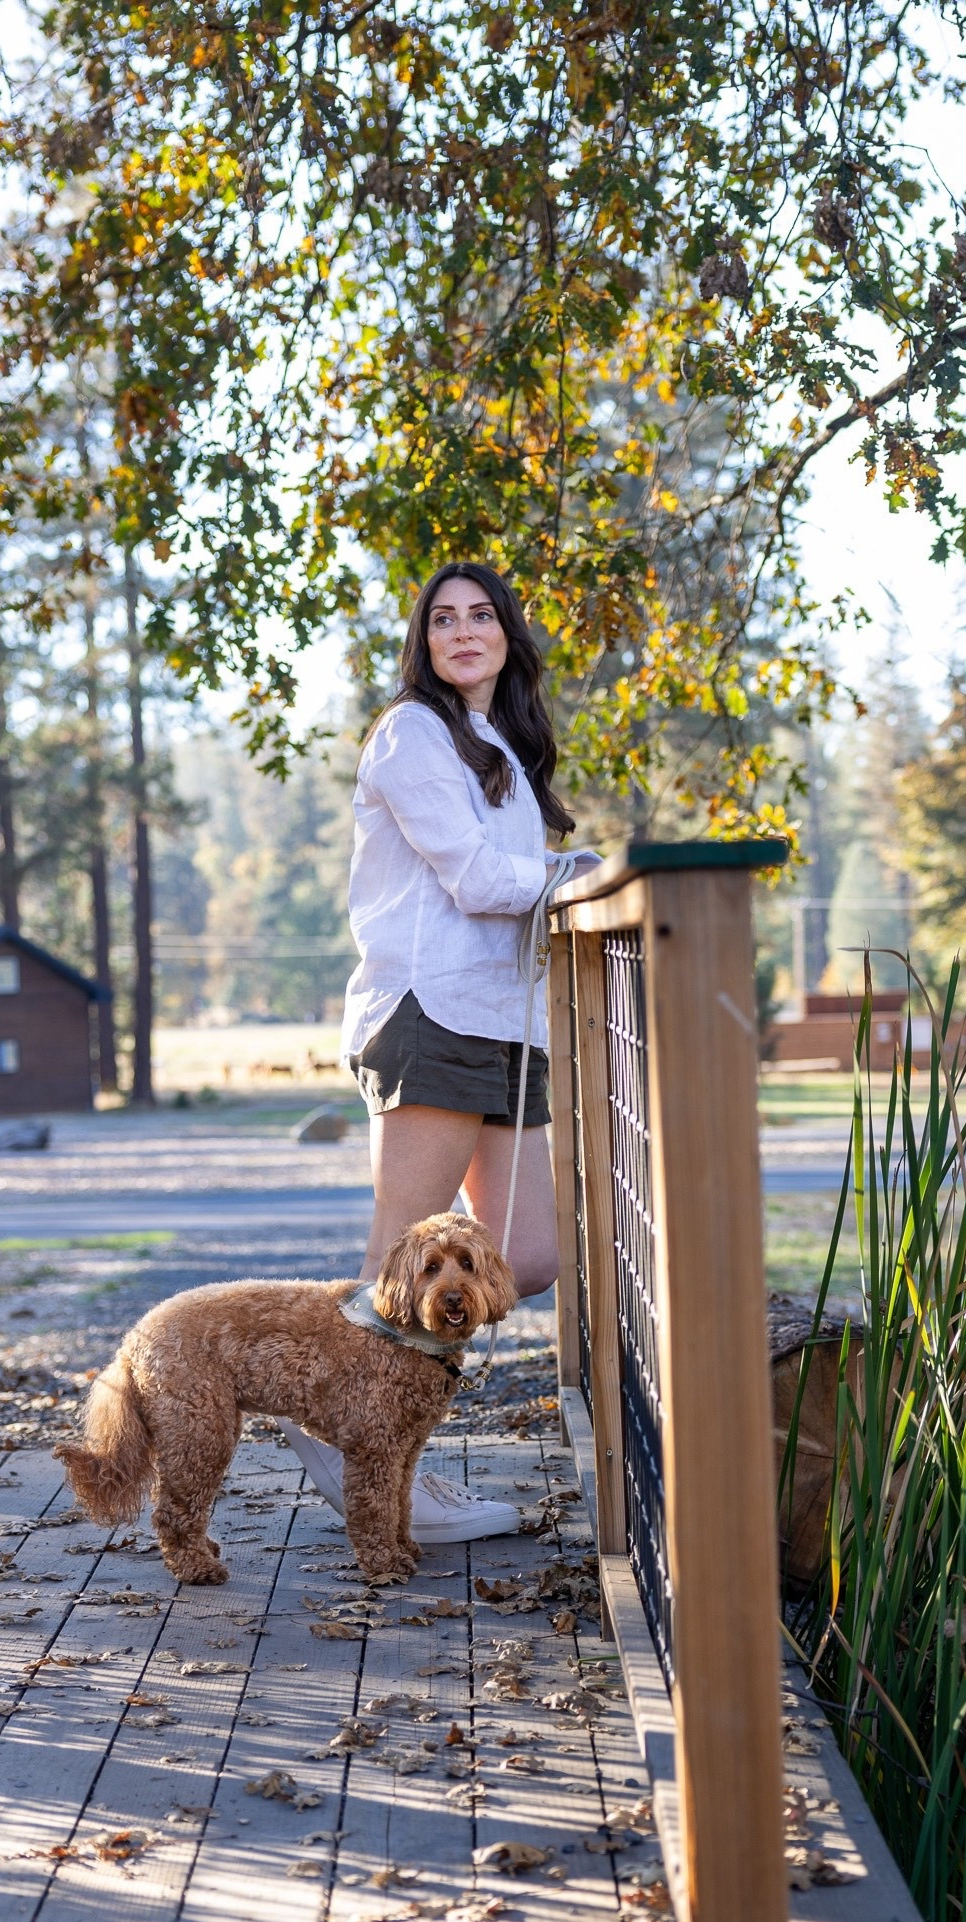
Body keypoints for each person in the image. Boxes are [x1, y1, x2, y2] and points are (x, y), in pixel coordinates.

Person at [280, 561, 597, 1540]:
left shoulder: (498, 738)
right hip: (432, 1011)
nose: (464, 630)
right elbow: (471, 877)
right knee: (399, 1262)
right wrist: (568, 872)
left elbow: (507, 872)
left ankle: (335, 1405)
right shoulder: (411, 733)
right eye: (444, 618)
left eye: (482, 615)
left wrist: (558, 872)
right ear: (423, 640)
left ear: (507, 632)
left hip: (507, 1022)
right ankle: (366, 1448)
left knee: (530, 1255)